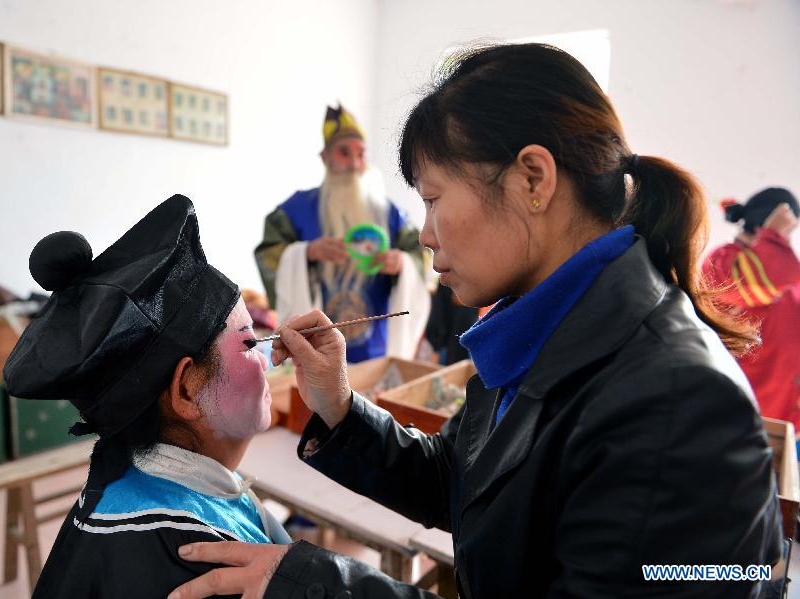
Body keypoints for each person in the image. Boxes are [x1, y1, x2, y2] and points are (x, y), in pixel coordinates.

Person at [169, 44, 783, 599]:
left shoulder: (674, 403)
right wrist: (337, 403)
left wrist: (322, 586)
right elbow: (464, 481)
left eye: (434, 199)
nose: (425, 235)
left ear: (533, 179)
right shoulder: (538, 331)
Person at [3, 195, 290, 598]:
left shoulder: (146, 482)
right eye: (248, 345)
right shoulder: (195, 559)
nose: (266, 360)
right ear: (187, 390)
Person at [254, 104, 429, 362]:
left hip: (375, 348)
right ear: (325, 158)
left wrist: (402, 263)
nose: (355, 163)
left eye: (361, 154)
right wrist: (307, 253)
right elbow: (269, 254)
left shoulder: (389, 213)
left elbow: (422, 253)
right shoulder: (295, 210)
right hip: (316, 346)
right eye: (344, 153)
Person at [703, 188, 800, 433]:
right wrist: (773, 236)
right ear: (763, 227)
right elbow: (767, 278)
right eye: (788, 231)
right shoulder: (722, 262)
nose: (787, 241)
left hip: (786, 413)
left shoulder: (785, 274)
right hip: (742, 413)